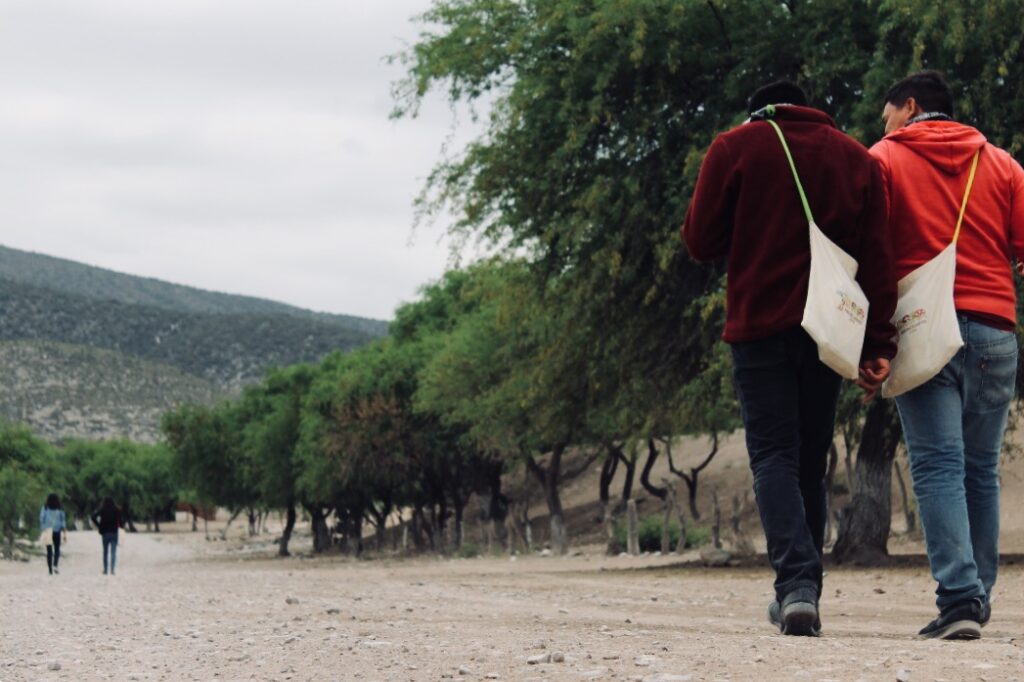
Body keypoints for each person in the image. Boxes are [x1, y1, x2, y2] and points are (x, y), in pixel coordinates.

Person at [682, 80, 897, 636]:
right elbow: (878, 258)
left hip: (759, 326)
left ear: (760, 110)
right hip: (830, 331)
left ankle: (797, 585)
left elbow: (699, 240)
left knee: (773, 455)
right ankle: (805, 591)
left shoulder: (734, 147)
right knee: (807, 459)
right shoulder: (857, 158)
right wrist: (878, 345)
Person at [870, 70, 1024, 640]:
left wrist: (871, 342)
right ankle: (978, 596)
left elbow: (873, 250)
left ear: (909, 107)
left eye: (887, 115)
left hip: (922, 329)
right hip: (995, 329)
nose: (883, 127)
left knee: (937, 466)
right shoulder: (1003, 163)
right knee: (980, 468)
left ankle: (958, 597)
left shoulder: (884, 159)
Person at [90, 497, 123, 575]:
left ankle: (105, 570)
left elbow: (93, 516)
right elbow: (121, 520)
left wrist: (99, 525)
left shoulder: (102, 510)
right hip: (114, 532)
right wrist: (121, 526)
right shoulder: (116, 510)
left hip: (105, 533)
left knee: (105, 552)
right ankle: (112, 570)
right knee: (113, 552)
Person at [39, 493, 67, 576]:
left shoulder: (45, 508)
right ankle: (55, 565)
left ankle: (50, 569)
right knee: (57, 549)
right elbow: (63, 522)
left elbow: (41, 518)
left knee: (49, 551)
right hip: (57, 531)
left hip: (48, 531)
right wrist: (64, 533)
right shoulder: (60, 509)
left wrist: (44, 527)